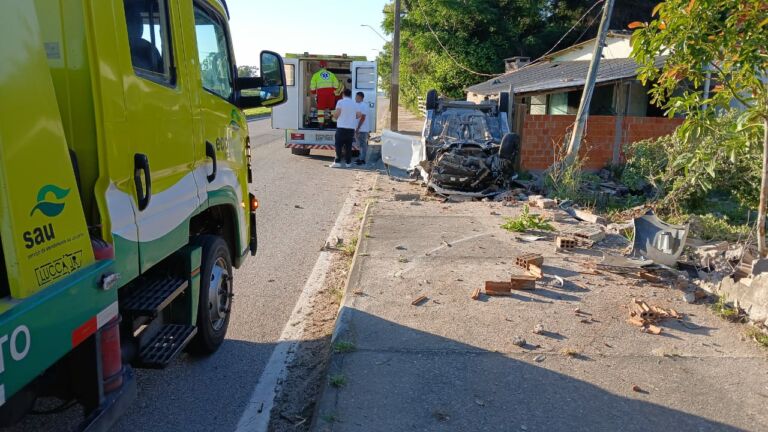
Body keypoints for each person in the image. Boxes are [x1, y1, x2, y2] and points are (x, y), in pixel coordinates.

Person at [331, 89, 357, 168]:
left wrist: (334, 117)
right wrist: (351, 117)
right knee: (348, 146)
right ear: (350, 95)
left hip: (341, 128)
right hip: (351, 129)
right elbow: (359, 115)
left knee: (338, 145)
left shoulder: (340, 102)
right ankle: (348, 163)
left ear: (343, 94)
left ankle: (337, 162)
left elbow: (337, 113)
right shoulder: (354, 103)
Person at [309, 61, 339, 128]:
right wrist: (333, 90)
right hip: (330, 94)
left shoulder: (316, 75)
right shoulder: (331, 74)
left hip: (321, 94)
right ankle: (334, 122)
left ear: (320, 66)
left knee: (321, 110)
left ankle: (321, 124)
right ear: (326, 66)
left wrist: (313, 92)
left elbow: (312, 86)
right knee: (332, 108)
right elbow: (336, 85)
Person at [354, 92, 371, 165]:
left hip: (362, 128)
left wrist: (358, 128)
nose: (355, 98)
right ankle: (360, 157)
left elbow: (363, 118)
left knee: (363, 144)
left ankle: (362, 160)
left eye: (356, 97)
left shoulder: (364, 106)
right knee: (360, 145)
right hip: (358, 128)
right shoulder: (357, 105)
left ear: (360, 97)